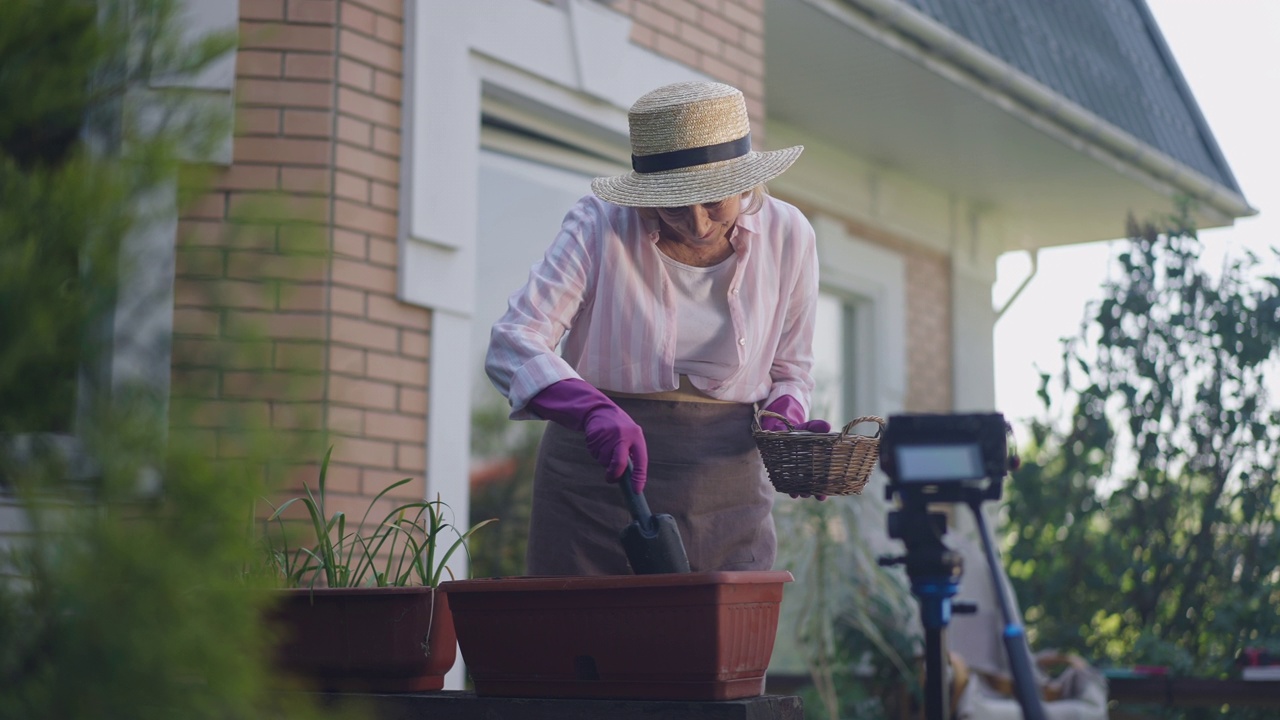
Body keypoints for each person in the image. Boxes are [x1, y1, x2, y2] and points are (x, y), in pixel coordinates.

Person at [485, 80, 830, 576]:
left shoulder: (790, 235)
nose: (697, 225)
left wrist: (785, 423)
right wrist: (589, 410)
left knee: (718, 646)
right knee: (587, 645)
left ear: (746, 182)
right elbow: (514, 341)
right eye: (673, 205)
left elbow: (791, 368)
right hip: (597, 476)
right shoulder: (599, 225)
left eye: (714, 201)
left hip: (727, 479)